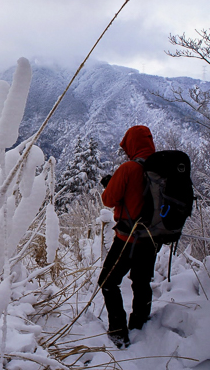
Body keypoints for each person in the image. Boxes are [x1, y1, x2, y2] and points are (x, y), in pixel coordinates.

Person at [98, 125, 158, 349]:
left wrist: (109, 184)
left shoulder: (129, 168)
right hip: (152, 240)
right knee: (141, 282)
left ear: (131, 144)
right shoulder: (162, 169)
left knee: (107, 281)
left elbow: (109, 199)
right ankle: (140, 324)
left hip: (128, 240)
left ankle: (118, 331)